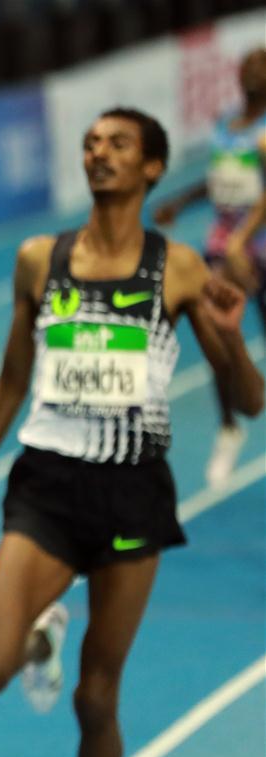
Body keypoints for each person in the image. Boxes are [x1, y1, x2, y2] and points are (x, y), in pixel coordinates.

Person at [0, 108, 264, 757]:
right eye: (91, 144)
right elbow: (10, 381)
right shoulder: (40, 261)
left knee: (96, 693)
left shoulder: (176, 268)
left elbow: (247, 401)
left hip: (131, 496)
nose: (99, 153)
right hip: (45, 486)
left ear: (152, 168)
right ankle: (40, 628)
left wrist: (233, 337)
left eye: (118, 145)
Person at [154, 47, 266, 488]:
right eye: (247, 68)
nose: (253, 74)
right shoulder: (226, 127)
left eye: (260, 68)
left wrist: (242, 239)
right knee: (218, 332)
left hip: (256, 245)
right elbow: (218, 182)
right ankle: (228, 427)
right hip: (224, 247)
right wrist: (179, 201)